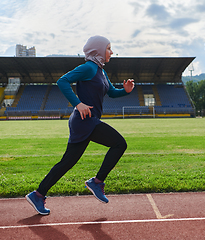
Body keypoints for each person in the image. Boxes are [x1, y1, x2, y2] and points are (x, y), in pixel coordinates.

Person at [26, 35, 135, 215]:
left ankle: (38, 194)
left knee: (67, 162)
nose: (112, 52)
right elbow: (62, 81)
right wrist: (78, 103)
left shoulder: (100, 71)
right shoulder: (88, 67)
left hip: (87, 122)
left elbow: (112, 93)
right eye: (109, 48)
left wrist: (126, 91)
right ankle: (97, 182)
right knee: (119, 143)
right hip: (85, 121)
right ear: (99, 50)